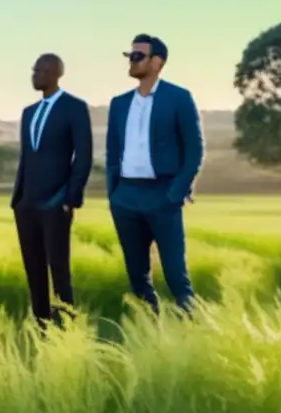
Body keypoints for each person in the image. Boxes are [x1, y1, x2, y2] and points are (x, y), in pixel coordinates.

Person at [105, 34, 204, 314]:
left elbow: (194, 150)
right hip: (126, 197)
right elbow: (113, 152)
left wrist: (176, 193)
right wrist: (114, 193)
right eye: (130, 56)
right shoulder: (120, 103)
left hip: (163, 195)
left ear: (156, 62)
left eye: (138, 56)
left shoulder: (179, 98)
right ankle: (150, 329)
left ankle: (191, 329)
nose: (131, 61)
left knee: (176, 274)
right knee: (137, 275)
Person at [10, 53, 93, 329]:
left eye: (43, 71)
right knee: (34, 270)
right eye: (35, 70)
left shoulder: (75, 108)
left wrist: (70, 198)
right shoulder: (28, 113)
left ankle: (66, 328)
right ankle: (42, 326)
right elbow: (26, 158)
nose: (36, 75)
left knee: (58, 269)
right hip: (27, 205)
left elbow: (83, 156)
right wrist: (18, 200)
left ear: (57, 73)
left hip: (56, 204)